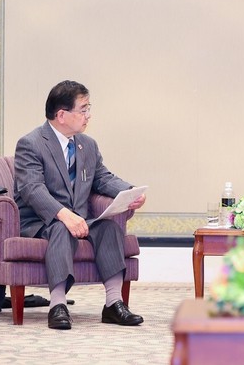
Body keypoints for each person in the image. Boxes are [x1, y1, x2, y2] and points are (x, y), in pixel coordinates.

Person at [14, 80, 146, 330]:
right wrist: (64, 215)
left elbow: (102, 178)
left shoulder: (87, 145)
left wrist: (129, 192)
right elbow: (32, 189)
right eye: (83, 109)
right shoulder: (31, 143)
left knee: (108, 228)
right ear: (61, 115)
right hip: (40, 220)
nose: (88, 115)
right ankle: (58, 304)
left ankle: (113, 303)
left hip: (80, 217)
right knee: (62, 228)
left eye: (89, 108)